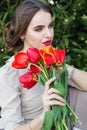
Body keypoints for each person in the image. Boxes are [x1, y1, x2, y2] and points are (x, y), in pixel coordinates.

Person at [0, 0, 87, 130]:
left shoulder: (49, 60)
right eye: (38, 29)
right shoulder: (9, 73)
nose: (49, 34)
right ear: (22, 33)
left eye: (50, 26)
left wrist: (64, 68)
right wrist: (44, 115)